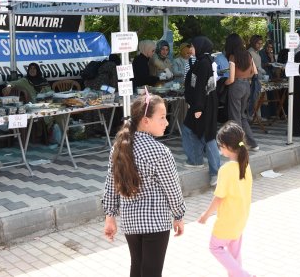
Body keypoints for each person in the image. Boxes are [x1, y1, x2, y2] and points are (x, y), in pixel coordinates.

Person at [102, 94, 186, 277]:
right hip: (156, 223)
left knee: (137, 267)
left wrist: (110, 216)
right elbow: (172, 189)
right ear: (146, 121)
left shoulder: (118, 147)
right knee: (151, 272)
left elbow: (111, 184)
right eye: (162, 117)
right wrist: (179, 215)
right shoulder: (159, 151)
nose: (166, 122)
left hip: (130, 222)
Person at [198, 122, 253, 277]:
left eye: (220, 145)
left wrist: (206, 215)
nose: (219, 148)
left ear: (228, 146)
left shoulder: (226, 169)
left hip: (227, 220)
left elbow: (219, 198)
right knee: (235, 255)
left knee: (215, 247)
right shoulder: (245, 165)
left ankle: (244, 275)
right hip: (241, 218)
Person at [182, 36, 221, 186]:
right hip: (202, 103)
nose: (191, 49)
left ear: (199, 47)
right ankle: (196, 160)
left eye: (192, 46)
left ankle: (216, 173)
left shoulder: (204, 63)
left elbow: (201, 86)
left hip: (203, 105)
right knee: (190, 129)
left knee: (208, 136)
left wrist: (198, 108)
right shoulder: (202, 61)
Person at [224, 33, 259, 151]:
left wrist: (223, 83)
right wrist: (246, 76)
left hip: (236, 86)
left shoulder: (232, 57)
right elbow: (255, 72)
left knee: (235, 117)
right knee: (242, 116)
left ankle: (239, 145)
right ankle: (253, 144)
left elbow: (231, 79)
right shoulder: (248, 55)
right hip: (246, 85)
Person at [247, 35, 264, 121]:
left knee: (257, 97)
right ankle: (252, 115)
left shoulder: (256, 52)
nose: (260, 45)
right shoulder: (250, 52)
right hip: (252, 77)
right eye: (258, 43)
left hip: (258, 76)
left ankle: (257, 116)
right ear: (253, 43)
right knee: (254, 97)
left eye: (261, 43)